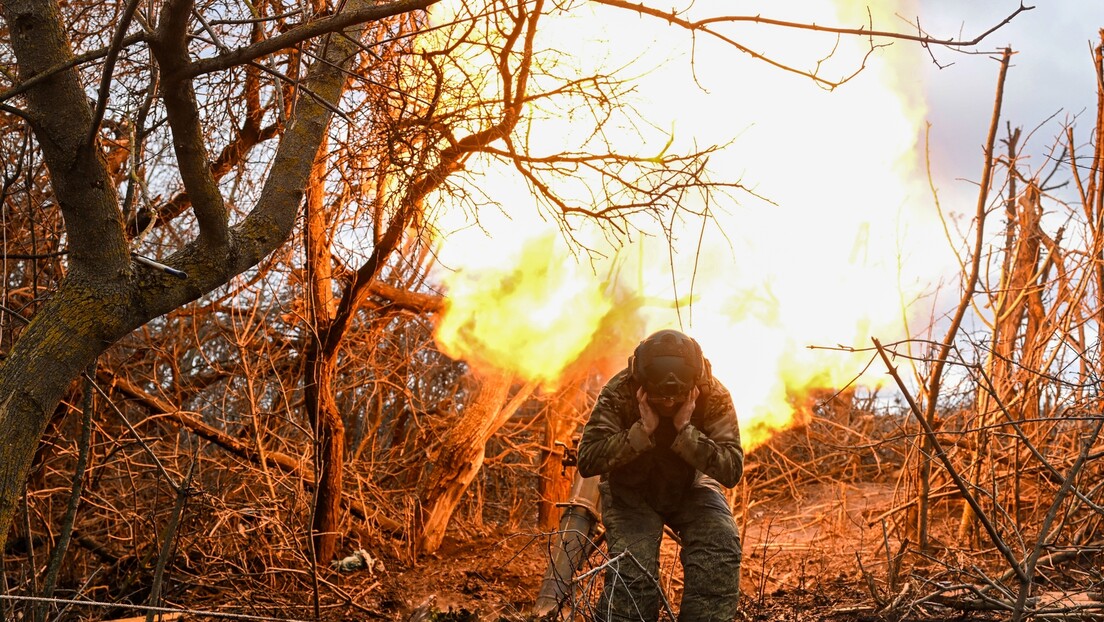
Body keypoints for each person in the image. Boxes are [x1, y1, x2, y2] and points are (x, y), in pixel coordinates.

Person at [577, 329, 744, 622]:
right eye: (659, 397)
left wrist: (685, 429)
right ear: (642, 383)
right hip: (631, 489)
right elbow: (588, 459)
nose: (668, 403)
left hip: (691, 485)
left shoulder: (713, 393)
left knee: (719, 546)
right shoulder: (619, 391)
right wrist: (642, 431)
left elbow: (731, 469)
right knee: (634, 575)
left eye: (676, 398)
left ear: (693, 384)